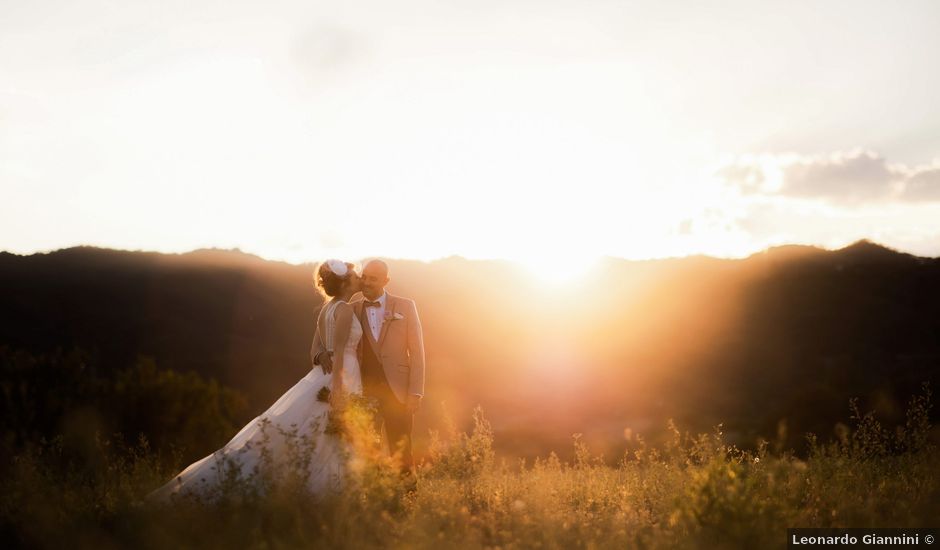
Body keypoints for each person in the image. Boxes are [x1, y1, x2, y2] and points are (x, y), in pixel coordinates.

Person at [148, 259, 365, 502]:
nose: (360, 280)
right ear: (346, 282)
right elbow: (338, 350)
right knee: (328, 435)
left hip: (321, 375)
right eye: (356, 277)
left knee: (317, 434)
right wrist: (337, 389)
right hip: (339, 377)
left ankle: (320, 489)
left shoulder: (328, 308)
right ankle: (323, 492)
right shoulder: (344, 309)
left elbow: (315, 349)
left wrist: (320, 355)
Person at [311, 259, 425, 481]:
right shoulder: (350, 308)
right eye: (364, 277)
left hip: (399, 391)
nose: (367, 282)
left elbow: (418, 353)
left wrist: (416, 392)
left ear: (386, 280)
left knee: (402, 447)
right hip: (364, 389)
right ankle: (375, 496)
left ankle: (408, 496)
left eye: (373, 278)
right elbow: (325, 337)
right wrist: (321, 354)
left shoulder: (406, 306)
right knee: (367, 448)